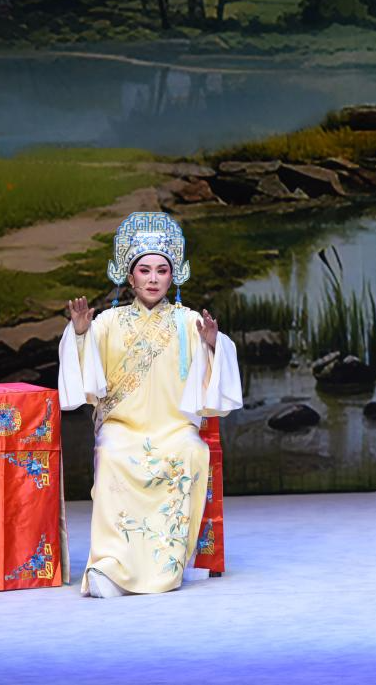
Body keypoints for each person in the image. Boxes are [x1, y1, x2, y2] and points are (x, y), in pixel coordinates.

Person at [58, 211, 242, 597]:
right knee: (112, 456)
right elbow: (87, 376)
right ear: (130, 277)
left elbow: (212, 374)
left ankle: (165, 567)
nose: (154, 278)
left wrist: (212, 344)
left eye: (162, 270)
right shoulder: (108, 322)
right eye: (145, 270)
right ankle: (110, 565)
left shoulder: (188, 321)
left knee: (189, 451)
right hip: (122, 428)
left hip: (173, 427)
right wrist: (80, 334)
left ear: (174, 276)